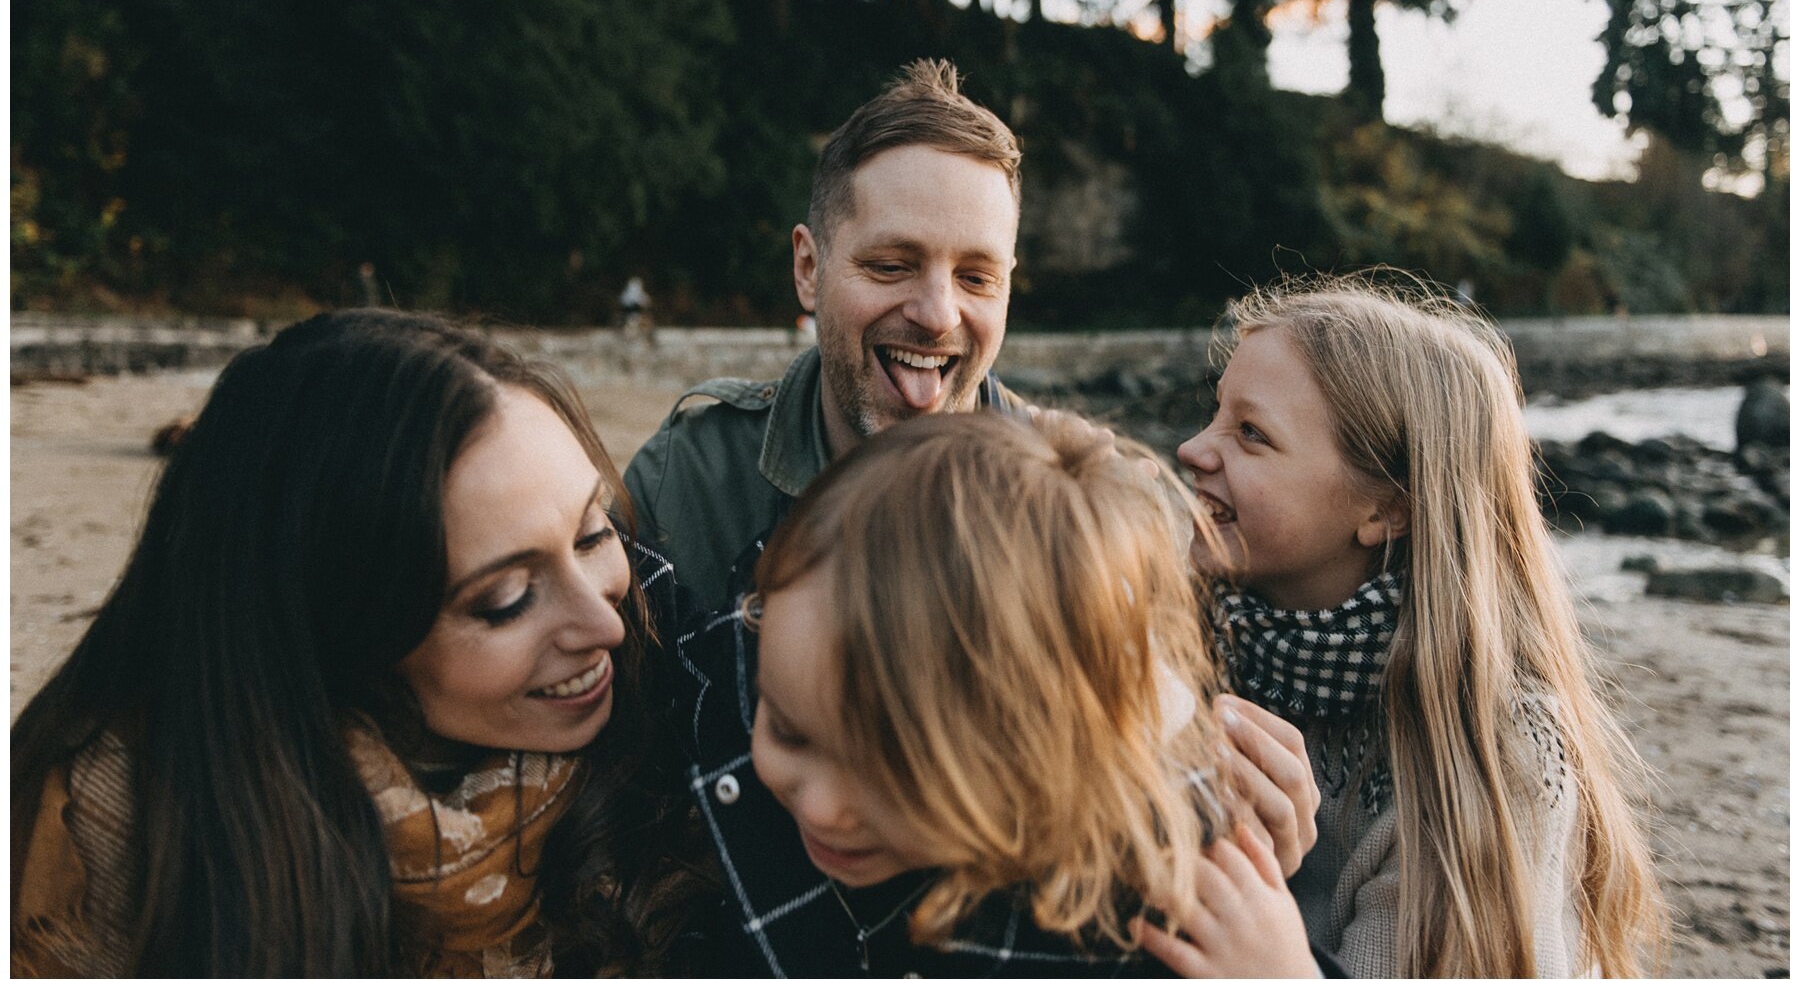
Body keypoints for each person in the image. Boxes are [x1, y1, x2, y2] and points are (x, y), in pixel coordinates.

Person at [11, 309, 706, 977]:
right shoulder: (120, 827)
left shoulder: (689, 710)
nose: (606, 625)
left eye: (593, 533)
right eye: (505, 600)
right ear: (331, 629)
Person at [672, 411, 1333, 977]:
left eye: (898, 768)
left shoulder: (1155, 909)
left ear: (1040, 743)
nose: (820, 804)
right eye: (788, 731)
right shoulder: (759, 646)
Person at [1175, 273, 1668, 977]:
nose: (1195, 448)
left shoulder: (1495, 746)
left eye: (1251, 434)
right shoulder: (1177, 648)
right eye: (1216, 413)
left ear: (1386, 509)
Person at [625, 59, 1025, 626]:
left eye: (977, 278)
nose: (938, 315)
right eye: (891, 266)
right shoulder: (685, 485)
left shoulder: (1065, 509)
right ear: (809, 268)